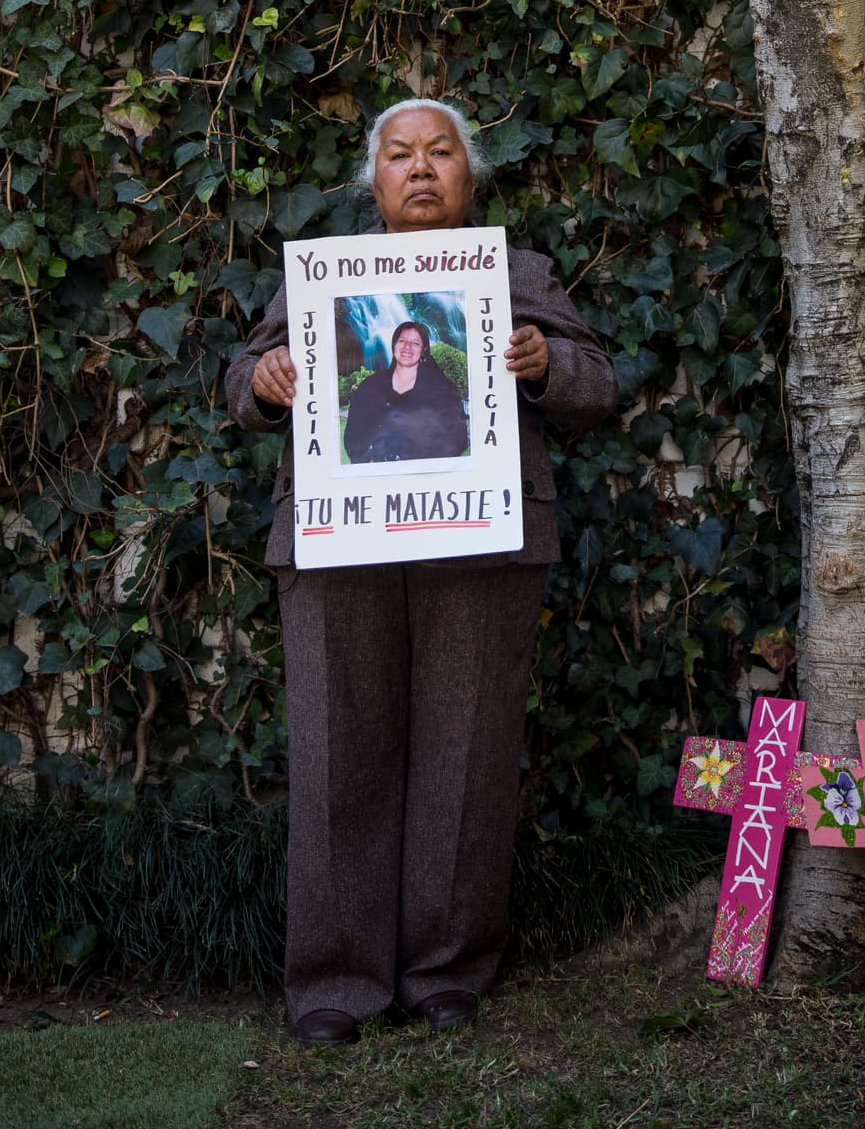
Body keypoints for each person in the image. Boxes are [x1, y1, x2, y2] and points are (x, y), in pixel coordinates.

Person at [225, 98, 618, 1043]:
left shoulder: (514, 276)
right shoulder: (324, 279)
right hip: (338, 545)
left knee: (466, 754)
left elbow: (600, 383)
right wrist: (267, 380)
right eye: (400, 155)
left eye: (440, 152)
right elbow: (240, 383)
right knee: (336, 753)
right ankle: (335, 983)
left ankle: (447, 972)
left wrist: (545, 360)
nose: (421, 168)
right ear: (375, 180)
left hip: (481, 547)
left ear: (469, 175)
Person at [341, 319, 468, 464]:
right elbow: (354, 433)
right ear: (394, 345)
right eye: (402, 340)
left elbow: (457, 435)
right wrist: (367, 460)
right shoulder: (369, 387)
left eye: (415, 343)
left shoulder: (441, 389)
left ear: (424, 350)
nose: (407, 347)